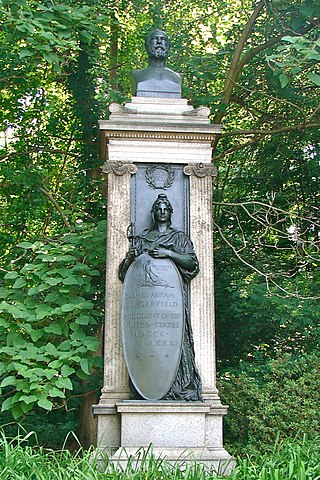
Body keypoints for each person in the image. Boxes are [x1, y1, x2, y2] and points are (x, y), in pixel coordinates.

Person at [119, 194, 202, 401]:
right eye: (158, 208)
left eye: (165, 208)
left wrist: (169, 254)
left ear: (171, 212)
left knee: (177, 344)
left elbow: (193, 265)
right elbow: (123, 274)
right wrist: (130, 257)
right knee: (144, 345)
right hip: (143, 308)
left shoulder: (179, 239)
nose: (162, 212)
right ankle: (147, 386)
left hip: (171, 303)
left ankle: (178, 387)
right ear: (153, 213)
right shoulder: (141, 240)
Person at [132, 29, 182, 98]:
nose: (159, 42)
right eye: (154, 39)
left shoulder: (178, 77)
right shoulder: (136, 75)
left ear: (168, 46)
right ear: (147, 46)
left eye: (163, 39)